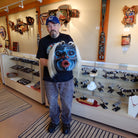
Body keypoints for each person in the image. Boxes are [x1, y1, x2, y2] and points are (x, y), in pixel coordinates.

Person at [36, 16, 74, 134]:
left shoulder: (67, 38)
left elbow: (73, 56)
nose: (52, 27)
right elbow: (42, 60)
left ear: (59, 26)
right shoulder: (43, 41)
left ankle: (66, 122)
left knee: (66, 103)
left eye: (54, 25)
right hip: (50, 79)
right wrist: (58, 65)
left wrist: (62, 64)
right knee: (52, 103)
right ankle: (55, 121)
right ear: (47, 28)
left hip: (66, 78)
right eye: (49, 25)